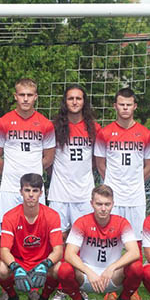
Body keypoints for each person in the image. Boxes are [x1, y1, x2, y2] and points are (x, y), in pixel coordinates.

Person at [59, 185, 143, 300]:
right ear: (91, 204)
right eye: (99, 204)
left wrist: (112, 267)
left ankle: (125, 299)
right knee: (64, 269)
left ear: (113, 204)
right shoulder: (82, 222)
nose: (103, 209)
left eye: (107, 204)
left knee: (137, 266)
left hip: (113, 275)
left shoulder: (121, 223)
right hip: (87, 276)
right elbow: (69, 254)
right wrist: (88, 272)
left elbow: (134, 252)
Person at [0, 173, 64, 300]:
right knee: (2, 268)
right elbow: (4, 250)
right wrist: (16, 267)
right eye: (27, 190)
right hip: (19, 261)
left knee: (59, 268)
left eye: (35, 191)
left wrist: (45, 264)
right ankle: (12, 296)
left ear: (41, 193)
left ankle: (44, 299)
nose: (31, 195)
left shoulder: (52, 215)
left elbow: (58, 250)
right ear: (21, 192)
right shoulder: (10, 216)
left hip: (41, 261)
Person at [0, 78, 55, 223]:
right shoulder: (3, 122)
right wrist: (9, 172)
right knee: (8, 233)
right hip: (10, 187)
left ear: (36, 97)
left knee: (36, 233)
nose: (25, 99)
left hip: (35, 188)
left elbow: (49, 157)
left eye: (30, 95)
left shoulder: (46, 124)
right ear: (15, 96)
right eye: (22, 95)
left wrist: (34, 169)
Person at [94, 87, 150, 235]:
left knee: (136, 239)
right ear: (115, 106)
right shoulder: (104, 133)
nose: (125, 108)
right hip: (112, 195)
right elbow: (100, 165)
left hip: (136, 196)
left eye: (129, 104)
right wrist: (112, 182)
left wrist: (135, 182)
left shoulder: (146, 134)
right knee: (109, 238)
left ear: (135, 106)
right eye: (122, 104)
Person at [48, 84, 98, 232]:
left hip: (84, 193)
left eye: (78, 98)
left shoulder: (94, 128)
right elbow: (48, 160)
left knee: (84, 237)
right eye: (71, 98)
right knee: (58, 238)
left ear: (84, 101)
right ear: (65, 102)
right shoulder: (54, 127)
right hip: (59, 193)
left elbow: (97, 159)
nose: (75, 102)